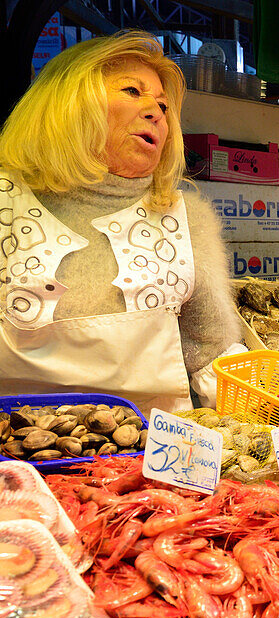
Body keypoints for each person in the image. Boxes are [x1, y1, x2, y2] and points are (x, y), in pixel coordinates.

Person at [0, 31, 241, 415]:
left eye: (163, 104)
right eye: (132, 91)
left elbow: (213, 354)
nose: (156, 112)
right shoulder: (5, 201)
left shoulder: (187, 219)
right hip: (16, 458)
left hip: (148, 464)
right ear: (66, 102)